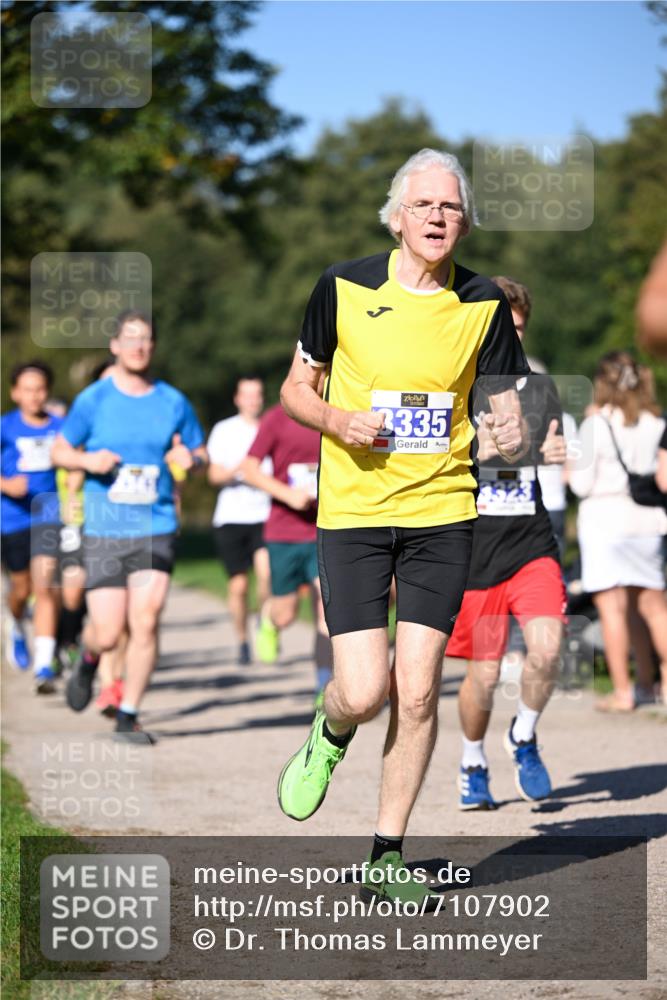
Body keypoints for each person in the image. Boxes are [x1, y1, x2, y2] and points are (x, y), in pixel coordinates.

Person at [276, 148, 528, 906]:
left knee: (416, 692)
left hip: (442, 515)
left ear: (465, 222)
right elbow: (296, 388)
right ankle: (330, 731)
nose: (437, 218)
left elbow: (505, 406)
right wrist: (337, 420)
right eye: (423, 205)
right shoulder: (343, 285)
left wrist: (510, 429)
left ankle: (386, 854)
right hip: (353, 513)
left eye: (450, 208)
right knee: (364, 690)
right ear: (395, 216)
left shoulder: (483, 304)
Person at [52, 311, 207, 741]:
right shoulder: (94, 400)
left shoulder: (172, 401)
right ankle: (88, 659)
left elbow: (201, 451)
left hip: (155, 523)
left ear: (153, 347)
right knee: (107, 630)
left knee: (147, 616)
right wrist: (87, 460)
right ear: (115, 346)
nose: (139, 346)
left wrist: (190, 459)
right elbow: (60, 452)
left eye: (147, 339)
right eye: (130, 338)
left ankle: (128, 712)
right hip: (106, 527)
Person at [445, 276, 568, 809]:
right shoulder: (453, 385)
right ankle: (472, 760)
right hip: (473, 550)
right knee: (486, 673)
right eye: (501, 327)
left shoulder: (540, 388)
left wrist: (557, 447)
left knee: (547, 649)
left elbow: (553, 443)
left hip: (530, 542)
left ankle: (523, 733)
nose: (510, 337)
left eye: (517, 328)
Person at [569, 351, 667, 711]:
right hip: (648, 521)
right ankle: (655, 684)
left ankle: (624, 692)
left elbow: (580, 484)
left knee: (613, 609)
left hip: (604, 522)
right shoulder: (655, 422)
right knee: (653, 608)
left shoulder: (595, 425)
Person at [240, 404, 332, 699]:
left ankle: (324, 686)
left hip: (326, 528)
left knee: (327, 612)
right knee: (286, 615)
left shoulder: (339, 410)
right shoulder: (278, 418)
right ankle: (268, 619)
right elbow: (249, 469)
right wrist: (287, 495)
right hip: (285, 532)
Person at [1, 361, 63, 692]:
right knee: (21, 590)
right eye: (27, 389)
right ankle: (14, 622)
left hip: (48, 515)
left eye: (39, 389)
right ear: (15, 393)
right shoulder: (5, 427)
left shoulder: (61, 426)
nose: (34, 395)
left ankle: (44, 664)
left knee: (44, 587)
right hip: (12, 519)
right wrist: (6, 485)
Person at [207, 377, 271, 665]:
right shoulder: (224, 430)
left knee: (267, 576)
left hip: (265, 514)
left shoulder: (270, 427)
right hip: (232, 517)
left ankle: (263, 621)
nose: (253, 400)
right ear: (237, 398)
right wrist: (244, 470)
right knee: (239, 587)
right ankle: (242, 639)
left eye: (257, 394)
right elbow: (213, 476)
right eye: (247, 395)